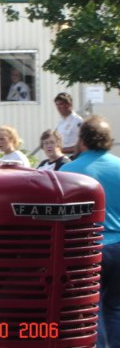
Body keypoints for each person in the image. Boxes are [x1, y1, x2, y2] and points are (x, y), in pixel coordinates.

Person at [61, 115, 120, 347]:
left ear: (82, 140)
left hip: (88, 248)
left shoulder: (69, 171)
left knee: (87, 308)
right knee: (114, 307)